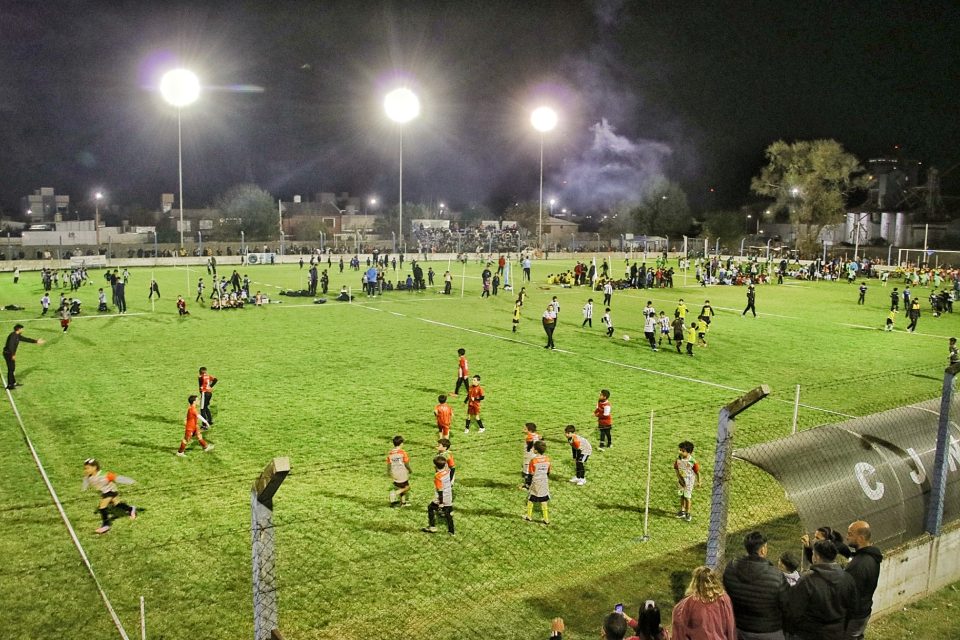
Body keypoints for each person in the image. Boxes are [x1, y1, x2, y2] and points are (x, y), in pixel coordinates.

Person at [784, 540, 857, 640]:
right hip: (837, 633)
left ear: (817, 557)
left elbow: (793, 611)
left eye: (813, 553)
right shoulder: (848, 579)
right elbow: (853, 609)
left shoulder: (807, 581)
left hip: (810, 634)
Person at [722, 531, 788, 639]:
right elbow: (787, 605)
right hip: (769, 631)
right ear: (762, 550)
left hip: (738, 628)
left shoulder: (731, 569)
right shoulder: (776, 576)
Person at [671, 566, 736, 640]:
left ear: (695, 582)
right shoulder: (724, 599)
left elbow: (679, 630)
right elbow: (731, 627)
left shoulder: (688, 604)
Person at [843, 521, 884, 640]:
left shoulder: (859, 565)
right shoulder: (872, 556)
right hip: (864, 611)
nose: (847, 537)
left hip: (854, 616)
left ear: (860, 538)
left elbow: (849, 594)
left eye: (850, 534)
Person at [82, 458, 136, 534]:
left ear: (94, 467)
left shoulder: (105, 474)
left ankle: (106, 524)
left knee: (102, 507)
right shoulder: (89, 476)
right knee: (117, 504)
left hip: (111, 491)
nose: (86, 470)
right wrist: (85, 484)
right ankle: (131, 509)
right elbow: (86, 483)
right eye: (85, 468)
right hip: (104, 492)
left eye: (88, 468)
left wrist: (130, 481)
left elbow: (117, 478)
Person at [3, 324, 45, 389]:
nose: (23, 330)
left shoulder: (17, 335)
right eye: (22, 329)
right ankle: (10, 385)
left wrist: (36, 341)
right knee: (11, 369)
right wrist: (13, 355)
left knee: (12, 368)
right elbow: (10, 346)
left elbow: (25, 339)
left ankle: (13, 383)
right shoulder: (13, 336)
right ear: (19, 329)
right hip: (8, 354)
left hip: (10, 354)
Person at [422, 455, 454, 535]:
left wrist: (441, 503)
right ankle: (451, 531)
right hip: (449, 495)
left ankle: (432, 527)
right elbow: (450, 466)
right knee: (448, 514)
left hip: (441, 497)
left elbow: (440, 490)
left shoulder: (438, 477)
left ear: (435, 466)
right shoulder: (448, 471)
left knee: (430, 508)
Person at [524, 440, 551, 524]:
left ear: (535, 450)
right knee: (544, 500)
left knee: (531, 499)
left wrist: (527, 483)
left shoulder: (533, 460)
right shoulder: (547, 459)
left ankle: (529, 516)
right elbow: (548, 471)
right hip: (544, 481)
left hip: (536, 481)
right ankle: (546, 518)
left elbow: (531, 473)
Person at [674, 440, 700, 521]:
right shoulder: (678, 459)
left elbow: (697, 472)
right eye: (680, 450)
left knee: (687, 497)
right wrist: (679, 479)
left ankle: (688, 513)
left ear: (689, 452)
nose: (680, 452)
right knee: (681, 496)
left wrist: (699, 481)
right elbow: (676, 469)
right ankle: (682, 511)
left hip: (689, 483)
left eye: (683, 451)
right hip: (681, 482)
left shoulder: (692, 461)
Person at [387, 435, 412, 507]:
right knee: (407, 487)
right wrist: (410, 470)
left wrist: (389, 472)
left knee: (402, 487)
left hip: (394, 472)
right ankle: (394, 494)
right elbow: (406, 463)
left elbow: (389, 464)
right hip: (402, 473)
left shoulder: (390, 453)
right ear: (401, 443)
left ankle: (403, 503)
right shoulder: (402, 452)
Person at [521, 422, 541, 489]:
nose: (523, 429)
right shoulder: (537, 435)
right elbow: (541, 439)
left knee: (527, 470)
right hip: (535, 455)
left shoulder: (529, 437)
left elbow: (530, 443)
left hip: (529, 456)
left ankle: (527, 485)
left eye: (525, 429)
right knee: (533, 469)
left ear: (529, 430)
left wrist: (528, 448)